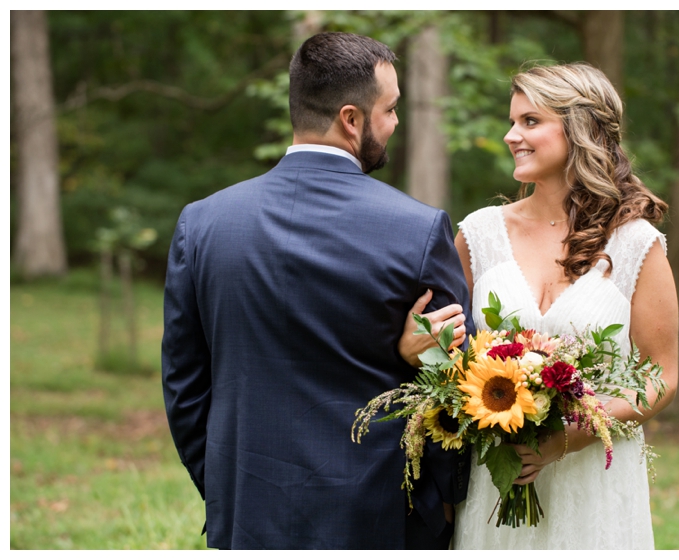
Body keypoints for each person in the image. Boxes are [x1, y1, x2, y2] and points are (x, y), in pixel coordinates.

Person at [161, 32, 473, 549]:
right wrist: (439, 502)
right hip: (377, 516)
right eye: (391, 109)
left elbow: (184, 384)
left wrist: (224, 485)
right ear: (351, 119)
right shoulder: (418, 230)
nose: (396, 123)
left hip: (247, 513)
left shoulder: (204, 223)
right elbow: (454, 384)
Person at [400, 63, 679, 549]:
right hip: (496, 476)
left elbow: (661, 377)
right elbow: (444, 355)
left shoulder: (636, 244)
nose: (512, 136)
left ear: (581, 128)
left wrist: (566, 440)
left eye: (530, 121)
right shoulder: (480, 233)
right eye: (512, 122)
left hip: (594, 481)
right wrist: (415, 349)